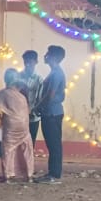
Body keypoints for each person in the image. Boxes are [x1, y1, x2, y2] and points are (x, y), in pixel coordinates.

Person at [0, 69, 34, 183]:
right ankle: (29, 175)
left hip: (11, 125)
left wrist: (2, 119)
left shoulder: (2, 93)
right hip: (24, 125)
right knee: (27, 149)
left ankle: (7, 176)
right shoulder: (22, 96)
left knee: (8, 149)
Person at [35, 45, 66, 184]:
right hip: (51, 112)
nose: (45, 55)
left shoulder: (56, 74)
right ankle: (52, 173)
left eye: (48, 53)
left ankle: (54, 175)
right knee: (53, 144)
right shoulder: (54, 72)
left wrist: (38, 106)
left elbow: (50, 95)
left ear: (53, 57)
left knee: (54, 145)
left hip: (52, 113)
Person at [19, 50, 45, 145]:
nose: (28, 64)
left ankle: (29, 159)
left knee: (31, 141)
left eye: (31, 61)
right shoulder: (18, 77)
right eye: (26, 61)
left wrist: (33, 110)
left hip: (33, 116)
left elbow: (41, 97)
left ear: (36, 62)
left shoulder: (39, 79)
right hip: (19, 115)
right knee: (19, 141)